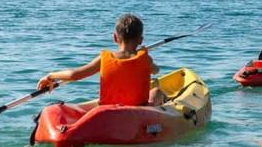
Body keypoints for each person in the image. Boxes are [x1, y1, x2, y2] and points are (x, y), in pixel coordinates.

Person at [37, 14, 166, 106]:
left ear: (114, 38)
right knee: (156, 91)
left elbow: (74, 75)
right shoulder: (145, 58)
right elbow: (156, 71)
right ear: (141, 40)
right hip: (138, 110)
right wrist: (145, 58)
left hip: (108, 110)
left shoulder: (104, 59)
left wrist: (50, 76)